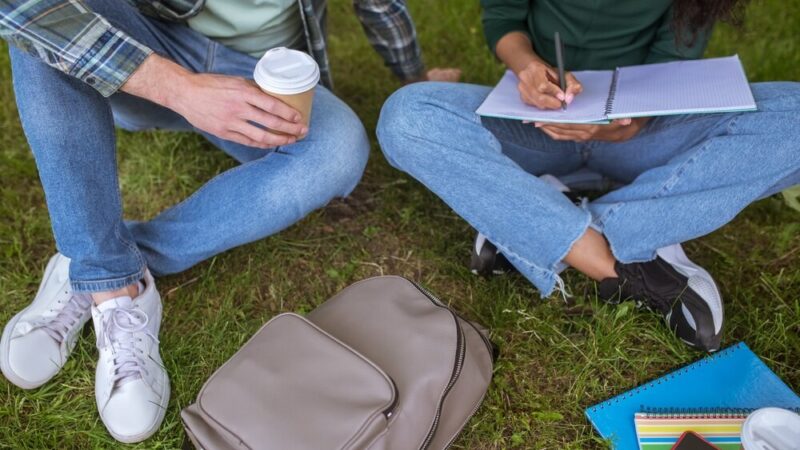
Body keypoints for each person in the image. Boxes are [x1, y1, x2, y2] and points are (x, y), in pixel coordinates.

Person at [0, 0, 447, 443]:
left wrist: (414, 76)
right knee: (46, 17)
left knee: (337, 150)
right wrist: (179, 88)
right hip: (151, 48)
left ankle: (101, 265)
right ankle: (109, 279)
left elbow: (379, 4)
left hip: (268, 81)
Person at [377, 0, 800, 353]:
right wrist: (527, 68)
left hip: (642, 135)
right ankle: (607, 261)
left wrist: (627, 126)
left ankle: (532, 215)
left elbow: (672, 63)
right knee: (408, 116)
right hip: (536, 127)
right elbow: (503, 19)